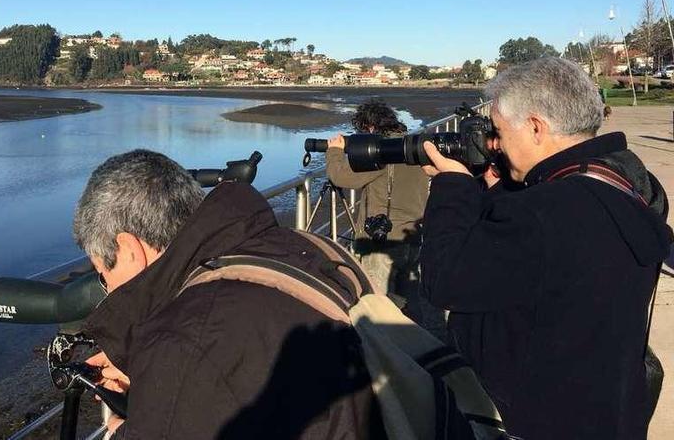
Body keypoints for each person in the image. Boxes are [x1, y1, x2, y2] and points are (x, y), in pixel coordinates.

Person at [419, 57, 672, 439]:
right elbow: (548, 257)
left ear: (535, 126)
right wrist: (497, 190)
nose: (495, 145)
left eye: (500, 131)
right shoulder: (628, 182)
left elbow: (444, 281)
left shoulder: (543, 213)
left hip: (536, 421)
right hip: (611, 410)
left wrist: (452, 187)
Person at [73, 149, 383, 439]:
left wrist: (124, 429)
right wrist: (147, 371)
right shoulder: (295, 247)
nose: (108, 288)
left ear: (128, 250)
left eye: (104, 274)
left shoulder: (185, 345)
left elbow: (203, 366)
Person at [325, 99, 437, 334]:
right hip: (413, 235)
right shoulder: (412, 147)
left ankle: (389, 354)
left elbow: (341, 178)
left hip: (381, 241)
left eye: (361, 131)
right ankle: (421, 347)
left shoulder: (379, 153)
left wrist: (334, 151)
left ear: (370, 128)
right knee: (410, 299)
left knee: (378, 300)